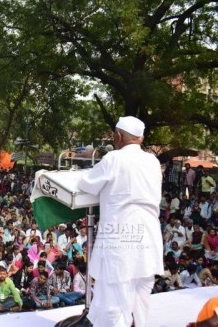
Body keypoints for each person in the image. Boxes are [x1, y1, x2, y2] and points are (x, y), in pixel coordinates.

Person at [78, 116, 164, 327]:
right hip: (149, 236)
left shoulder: (113, 159)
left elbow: (87, 184)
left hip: (120, 235)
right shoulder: (153, 161)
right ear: (141, 138)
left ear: (118, 136)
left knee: (113, 300)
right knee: (140, 296)